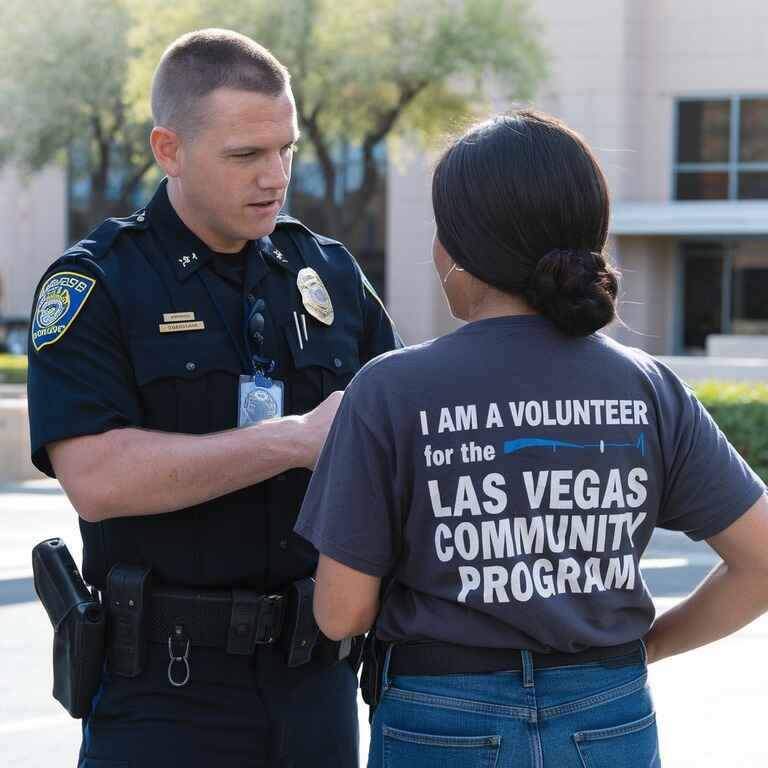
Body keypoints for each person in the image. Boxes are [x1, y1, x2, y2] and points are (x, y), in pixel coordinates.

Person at [294, 110, 768, 767]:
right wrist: (645, 647)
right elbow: (762, 559)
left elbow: (342, 614)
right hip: (610, 716)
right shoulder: (647, 388)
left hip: (442, 720)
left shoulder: (391, 391)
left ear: (464, 251)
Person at [27, 28, 400, 768]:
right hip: (166, 688)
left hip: (315, 678)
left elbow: (402, 439)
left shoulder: (323, 271)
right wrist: (292, 440)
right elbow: (97, 480)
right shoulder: (99, 283)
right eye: (246, 156)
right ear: (169, 150)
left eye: (286, 149)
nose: (276, 176)